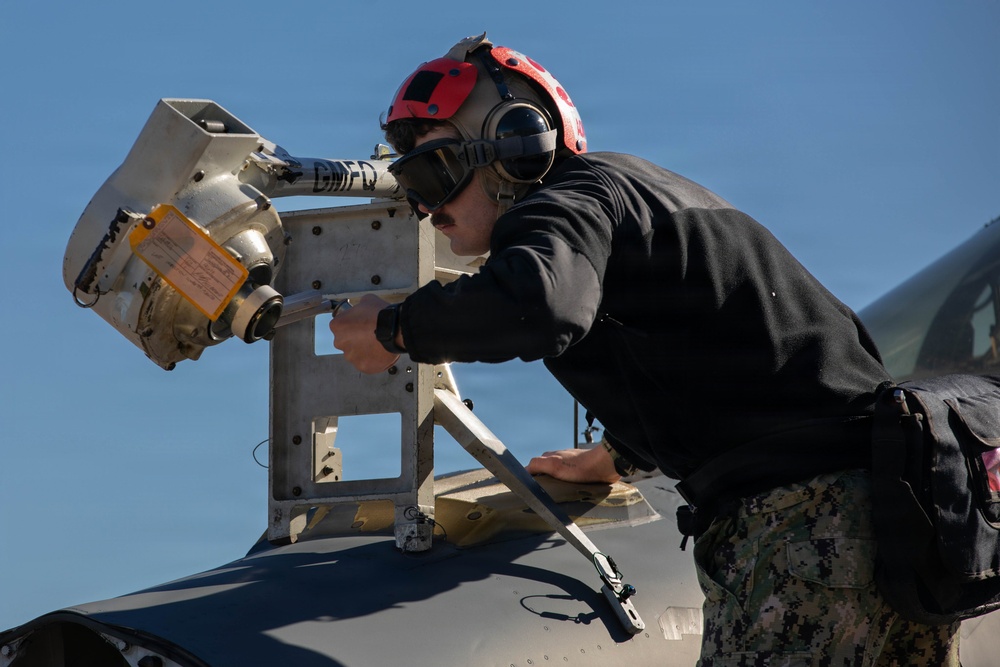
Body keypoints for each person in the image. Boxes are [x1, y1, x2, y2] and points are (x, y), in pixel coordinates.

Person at [329, 33, 960, 665]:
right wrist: (619, 457)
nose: (422, 207)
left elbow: (540, 305)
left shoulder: (561, 206)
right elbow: (723, 358)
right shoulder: (632, 194)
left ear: (516, 144)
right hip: (904, 523)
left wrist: (396, 329)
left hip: (803, 528)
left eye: (431, 176)